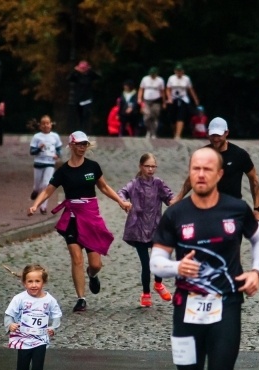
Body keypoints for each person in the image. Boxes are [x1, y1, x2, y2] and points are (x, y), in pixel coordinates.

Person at [150, 147, 259, 370]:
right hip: (186, 308)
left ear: (219, 175)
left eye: (207, 169)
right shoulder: (176, 214)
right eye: (195, 169)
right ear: (190, 174)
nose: (200, 174)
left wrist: (257, 272)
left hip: (226, 303)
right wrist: (175, 267)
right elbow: (156, 260)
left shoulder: (236, 209)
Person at [28, 131, 131, 312]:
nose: (83, 147)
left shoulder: (93, 167)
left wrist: (121, 202)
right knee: (76, 259)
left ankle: (92, 275)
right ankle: (81, 298)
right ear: (72, 145)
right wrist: (36, 205)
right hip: (72, 218)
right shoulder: (63, 171)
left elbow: (104, 187)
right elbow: (48, 190)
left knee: (95, 264)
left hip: (91, 218)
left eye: (85, 144)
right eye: (80, 144)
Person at [174, 117, 259, 222]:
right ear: (208, 133)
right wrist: (178, 198)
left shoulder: (239, 154)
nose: (215, 139)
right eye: (213, 135)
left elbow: (254, 179)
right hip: (208, 208)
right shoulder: (203, 153)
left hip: (232, 209)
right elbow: (192, 179)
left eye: (218, 135)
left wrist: (257, 209)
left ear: (226, 133)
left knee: (231, 238)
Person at [117, 153, 174, 308]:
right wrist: (124, 202)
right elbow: (122, 192)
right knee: (146, 264)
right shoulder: (134, 184)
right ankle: (146, 292)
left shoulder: (158, 183)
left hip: (156, 227)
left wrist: (178, 202)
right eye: (147, 166)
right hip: (138, 228)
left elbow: (170, 198)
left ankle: (158, 283)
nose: (150, 169)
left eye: (153, 166)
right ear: (141, 166)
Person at [5, 264, 62, 370]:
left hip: (40, 339)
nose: (34, 285)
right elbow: (9, 314)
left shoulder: (49, 300)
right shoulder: (19, 299)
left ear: (43, 282)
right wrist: (10, 325)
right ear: (24, 283)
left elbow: (56, 315)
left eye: (37, 281)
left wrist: (53, 327)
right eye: (30, 281)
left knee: (37, 369)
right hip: (23, 339)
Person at [28, 115, 62, 214]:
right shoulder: (37, 137)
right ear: (40, 126)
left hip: (50, 163)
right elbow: (32, 151)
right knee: (38, 185)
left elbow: (59, 148)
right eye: (43, 124)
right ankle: (35, 191)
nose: (46, 125)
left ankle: (43, 207)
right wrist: (39, 148)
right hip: (39, 163)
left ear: (51, 124)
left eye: (47, 123)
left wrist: (58, 155)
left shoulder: (55, 136)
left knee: (46, 184)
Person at [166, 64, 200, 140]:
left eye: (180, 71)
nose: (179, 72)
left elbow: (190, 89)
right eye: (177, 71)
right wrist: (169, 98)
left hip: (183, 99)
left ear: (183, 71)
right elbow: (168, 89)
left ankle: (178, 135)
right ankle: (174, 132)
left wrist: (195, 99)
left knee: (180, 116)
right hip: (173, 99)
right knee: (172, 117)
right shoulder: (171, 78)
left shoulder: (186, 78)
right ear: (175, 71)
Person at [67, 61, 100, 133]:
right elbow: (69, 78)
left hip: (87, 99)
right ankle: (78, 130)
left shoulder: (90, 75)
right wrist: (75, 71)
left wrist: (90, 70)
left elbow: (98, 76)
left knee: (86, 114)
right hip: (78, 98)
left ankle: (85, 130)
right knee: (79, 115)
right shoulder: (76, 75)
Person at [138, 67, 166, 139]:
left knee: (154, 117)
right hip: (146, 100)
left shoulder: (160, 80)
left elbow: (162, 91)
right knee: (146, 117)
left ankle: (154, 133)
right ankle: (148, 130)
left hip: (156, 101)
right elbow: (141, 89)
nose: (152, 75)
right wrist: (139, 98)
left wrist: (164, 102)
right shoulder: (145, 79)